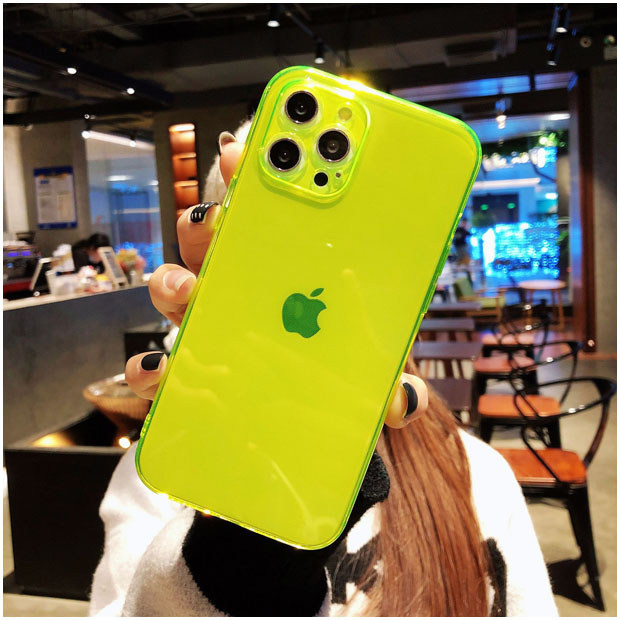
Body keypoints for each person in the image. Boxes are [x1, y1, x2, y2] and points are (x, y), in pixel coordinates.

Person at [89, 125, 557, 617]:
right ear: (207, 273)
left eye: (347, 249)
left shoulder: (477, 474)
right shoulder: (163, 478)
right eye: (277, 252)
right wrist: (230, 557)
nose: (310, 293)